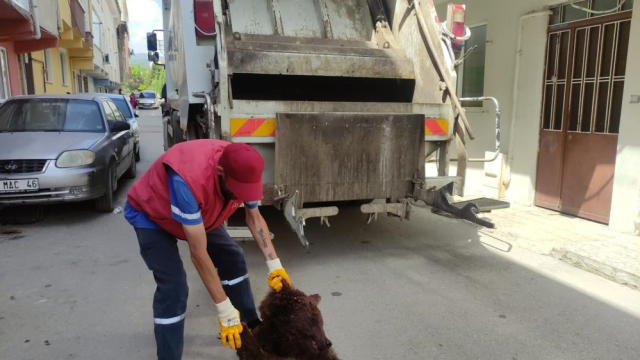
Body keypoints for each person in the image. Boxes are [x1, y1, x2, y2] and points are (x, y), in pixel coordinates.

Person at [125, 140, 291, 360]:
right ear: (220, 172)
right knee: (174, 288)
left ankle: (251, 327)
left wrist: (274, 265)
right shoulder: (188, 180)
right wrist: (224, 309)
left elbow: (255, 218)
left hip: (200, 215)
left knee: (233, 257)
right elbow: (198, 253)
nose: (243, 195)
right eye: (239, 190)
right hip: (152, 215)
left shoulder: (244, 168)